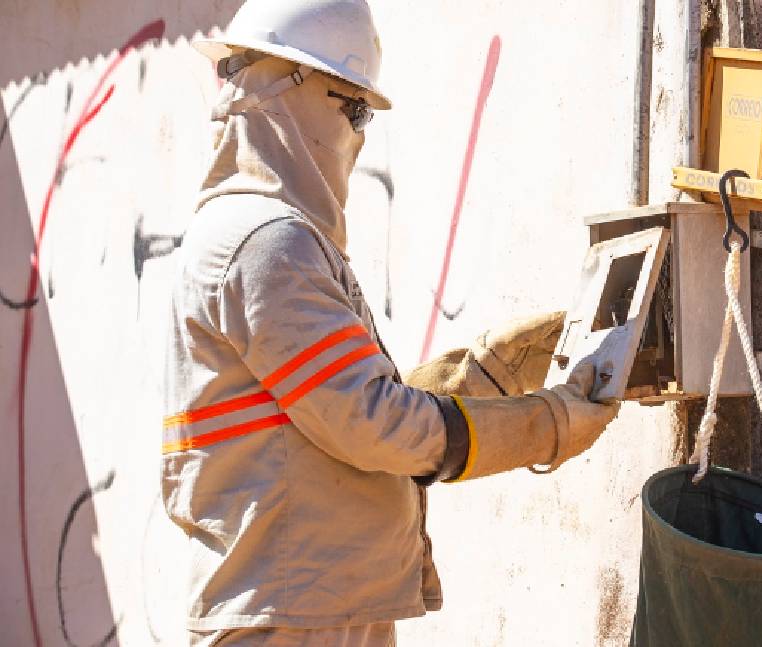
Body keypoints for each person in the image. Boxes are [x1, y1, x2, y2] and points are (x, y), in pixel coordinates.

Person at [163, 1, 620, 644]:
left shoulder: (268, 237)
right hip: (292, 618)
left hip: (312, 603)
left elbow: (330, 411)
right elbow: (370, 423)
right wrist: (545, 426)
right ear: (289, 93)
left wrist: (480, 376)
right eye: (354, 108)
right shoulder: (265, 241)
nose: (360, 133)